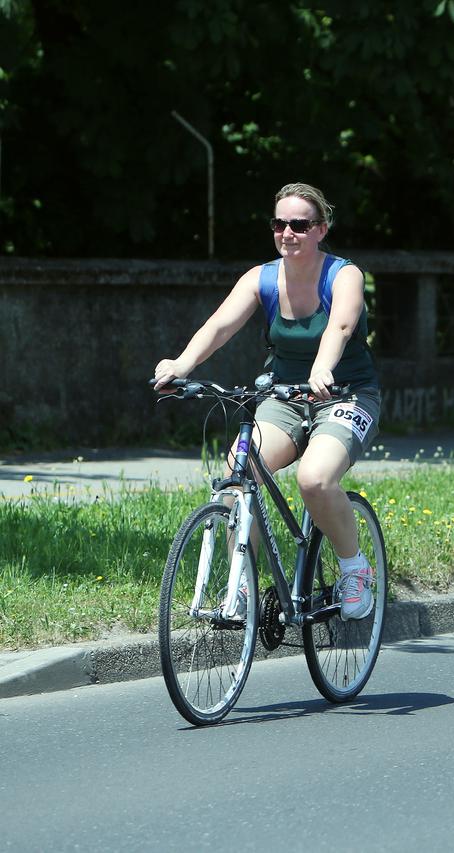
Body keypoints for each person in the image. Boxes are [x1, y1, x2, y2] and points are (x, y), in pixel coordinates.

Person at [152, 182, 380, 620]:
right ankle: (241, 583)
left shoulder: (343, 274)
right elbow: (219, 326)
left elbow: (342, 326)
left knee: (314, 479)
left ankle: (355, 570)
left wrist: (322, 368)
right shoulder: (262, 278)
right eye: (280, 223)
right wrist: (181, 365)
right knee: (241, 471)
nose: (287, 232)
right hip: (282, 397)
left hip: (345, 394)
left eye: (299, 224)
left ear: (321, 229)